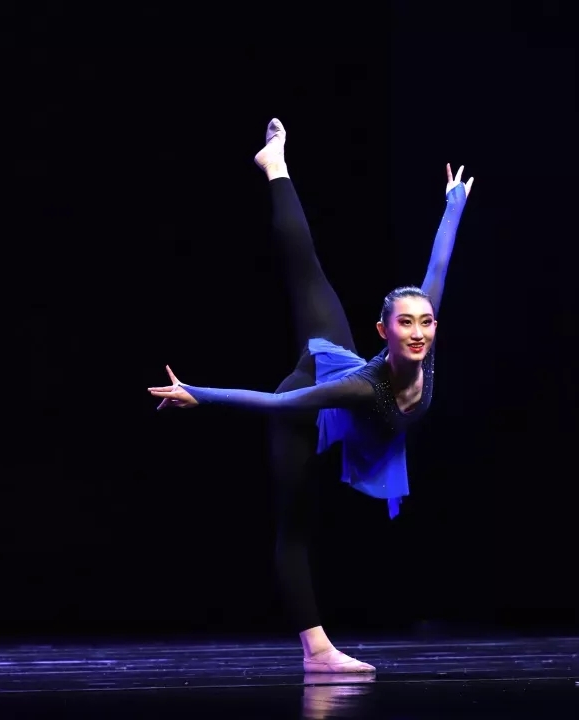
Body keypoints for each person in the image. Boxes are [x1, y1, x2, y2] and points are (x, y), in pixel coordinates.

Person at [148, 118, 473, 673]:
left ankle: (275, 166)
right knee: (295, 522)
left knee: (308, 271)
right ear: (383, 331)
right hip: (305, 400)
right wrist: (197, 394)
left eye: (426, 322)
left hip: (336, 364)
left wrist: (454, 202)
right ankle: (317, 652)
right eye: (405, 324)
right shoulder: (362, 386)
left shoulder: (424, 344)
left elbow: (438, 264)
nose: (418, 332)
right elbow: (278, 406)